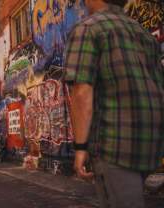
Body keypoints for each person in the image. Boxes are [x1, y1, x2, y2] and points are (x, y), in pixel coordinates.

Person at [64, 0, 164, 207]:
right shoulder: (143, 33)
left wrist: (81, 147)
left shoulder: (88, 29)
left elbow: (82, 90)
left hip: (113, 144)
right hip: (149, 142)